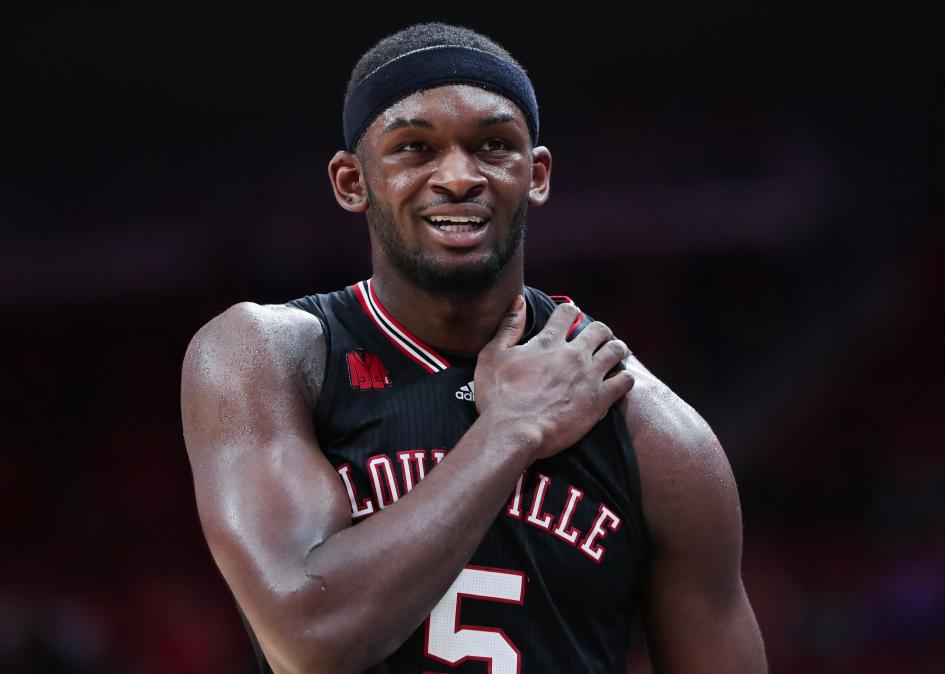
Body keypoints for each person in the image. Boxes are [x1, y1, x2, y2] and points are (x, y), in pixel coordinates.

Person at [181, 22, 767, 674]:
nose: (458, 177)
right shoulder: (263, 357)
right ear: (352, 181)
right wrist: (509, 431)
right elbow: (311, 639)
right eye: (413, 148)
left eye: (492, 146)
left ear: (536, 174)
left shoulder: (656, 432)